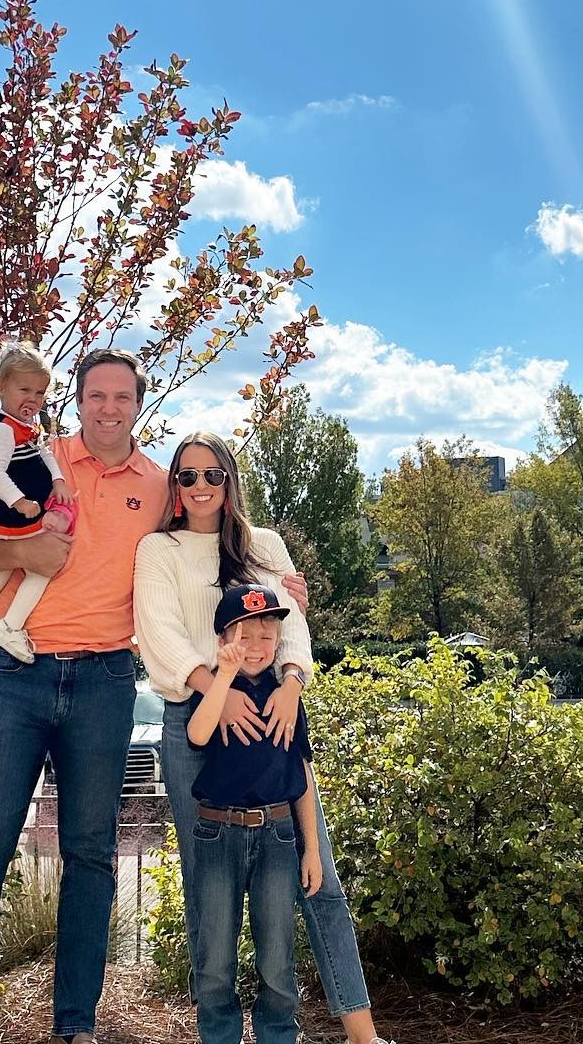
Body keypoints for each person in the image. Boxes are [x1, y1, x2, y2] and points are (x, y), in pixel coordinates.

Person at [0, 349, 169, 1044]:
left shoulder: (157, 486)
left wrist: (282, 583)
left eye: (122, 396)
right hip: (14, 672)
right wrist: (22, 555)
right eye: (96, 394)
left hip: (103, 682)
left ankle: (75, 1026)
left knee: (92, 857)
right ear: (79, 399)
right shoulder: (40, 455)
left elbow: (216, 545)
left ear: (137, 403)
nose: (109, 407)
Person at [134, 431, 391, 1044]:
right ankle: (217, 1031)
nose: (200, 487)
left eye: (213, 475)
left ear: (230, 481)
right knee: (209, 895)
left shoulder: (264, 545)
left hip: (274, 716)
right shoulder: (157, 549)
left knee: (316, 873)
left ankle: (363, 1034)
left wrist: (293, 683)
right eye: (188, 476)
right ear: (174, 485)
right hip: (195, 726)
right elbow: (159, 632)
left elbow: (292, 626)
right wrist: (212, 693)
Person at [186, 583, 320, 1044]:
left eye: (267, 638)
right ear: (224, 639)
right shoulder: (214, 687)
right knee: (215, 960)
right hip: (217, 832)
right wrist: (221, 680)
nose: (257, 648)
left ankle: (278, 1035)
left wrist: (312, 851)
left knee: (277, 959)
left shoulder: (287, 696)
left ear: (278, 642)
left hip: (278, 835)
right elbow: (199, 735)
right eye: (244, 637)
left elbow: (301, 777)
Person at [0, 341, 78, 665]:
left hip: (19, 514)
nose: (32, 399)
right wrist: (19, 502)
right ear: (2, 386)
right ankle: (10, 625)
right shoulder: (3, 431)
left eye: (39, 394)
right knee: (42, 567)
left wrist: (58, 480)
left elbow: (44, 453)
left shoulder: (27, 427)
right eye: (25, 390)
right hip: (10, 515)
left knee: (2, 568)